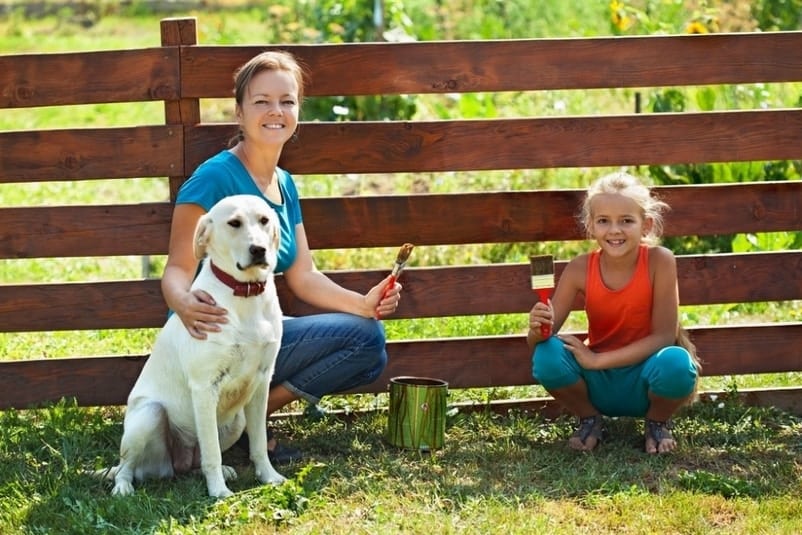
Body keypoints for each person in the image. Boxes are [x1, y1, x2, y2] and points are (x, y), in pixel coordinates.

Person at [161, 50, 401, 463]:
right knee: (366, 340)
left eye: (287, 101)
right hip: (212, 336)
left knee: (369, 346)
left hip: (258, 327)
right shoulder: (213, 178)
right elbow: (177, 269)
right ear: (239, 113)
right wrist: (183, 304)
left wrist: (363, 304)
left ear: (297, 112)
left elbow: (302, 274)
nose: (276, 111)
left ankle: (237, 425)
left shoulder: (284, 184)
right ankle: (229, 428)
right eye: (261, 102)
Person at [527, 171, 700, 454]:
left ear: (646, 225)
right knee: (546, 354)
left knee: (677, 363)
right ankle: (589, 419)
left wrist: (597, 360)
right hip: (598, 387)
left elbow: (665, 336)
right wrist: (537, 328)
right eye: (603, 221)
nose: (614, 230)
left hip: (645, 378)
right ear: (591, 226)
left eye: (626, 221)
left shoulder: (660, 261)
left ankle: (656, 423)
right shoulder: (580, 268)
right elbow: (538, 343)